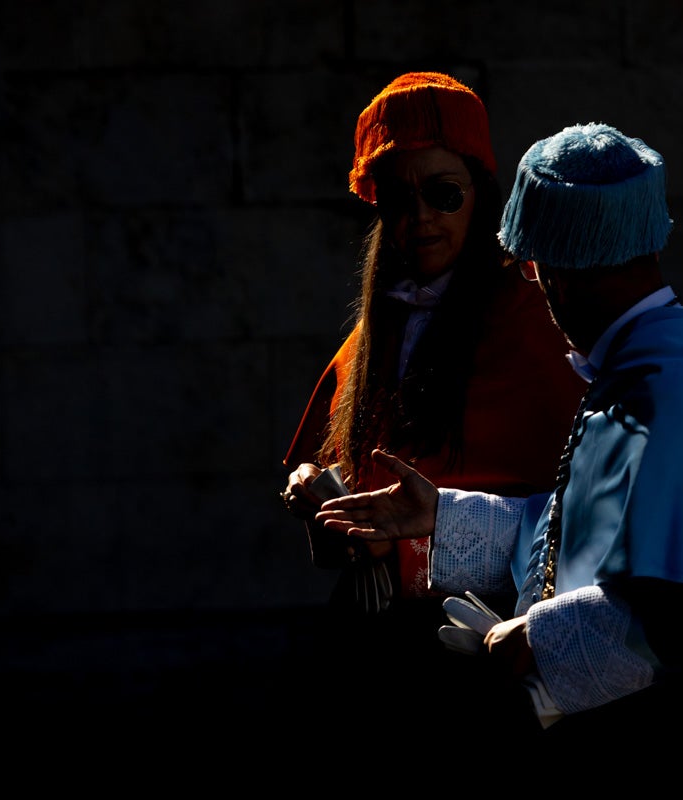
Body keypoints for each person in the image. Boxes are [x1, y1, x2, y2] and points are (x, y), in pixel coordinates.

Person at [315, 123, 683, 749]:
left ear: (557, 271)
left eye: (535, 269)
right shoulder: (667, 358)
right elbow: (593, 532)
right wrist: (443, 517)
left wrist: (534, 639)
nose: (535, 285)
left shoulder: (671, 390)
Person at [278, 73, 585, 719]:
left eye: (443, 194)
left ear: (481, 195)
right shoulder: (378, 327)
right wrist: (316, 484)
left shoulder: (534, 321)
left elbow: (577, 515)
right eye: (398, 198)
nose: (420, 218)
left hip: (484, 640)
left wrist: (407, 542)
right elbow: (335, 455)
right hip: (375, 645)